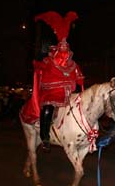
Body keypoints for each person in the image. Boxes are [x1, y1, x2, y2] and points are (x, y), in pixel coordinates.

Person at [21, 11, 84, 152]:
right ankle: (45, 137)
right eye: (62, 49)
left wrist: (80, 89)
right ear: (57, 50)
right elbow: (40, 68)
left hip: (70, 94)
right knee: (48, 109)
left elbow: (79, 79)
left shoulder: (73, 64)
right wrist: (37, 65)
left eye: (66, 50)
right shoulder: (49, 62)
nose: (65, 52)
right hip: (52, 94)